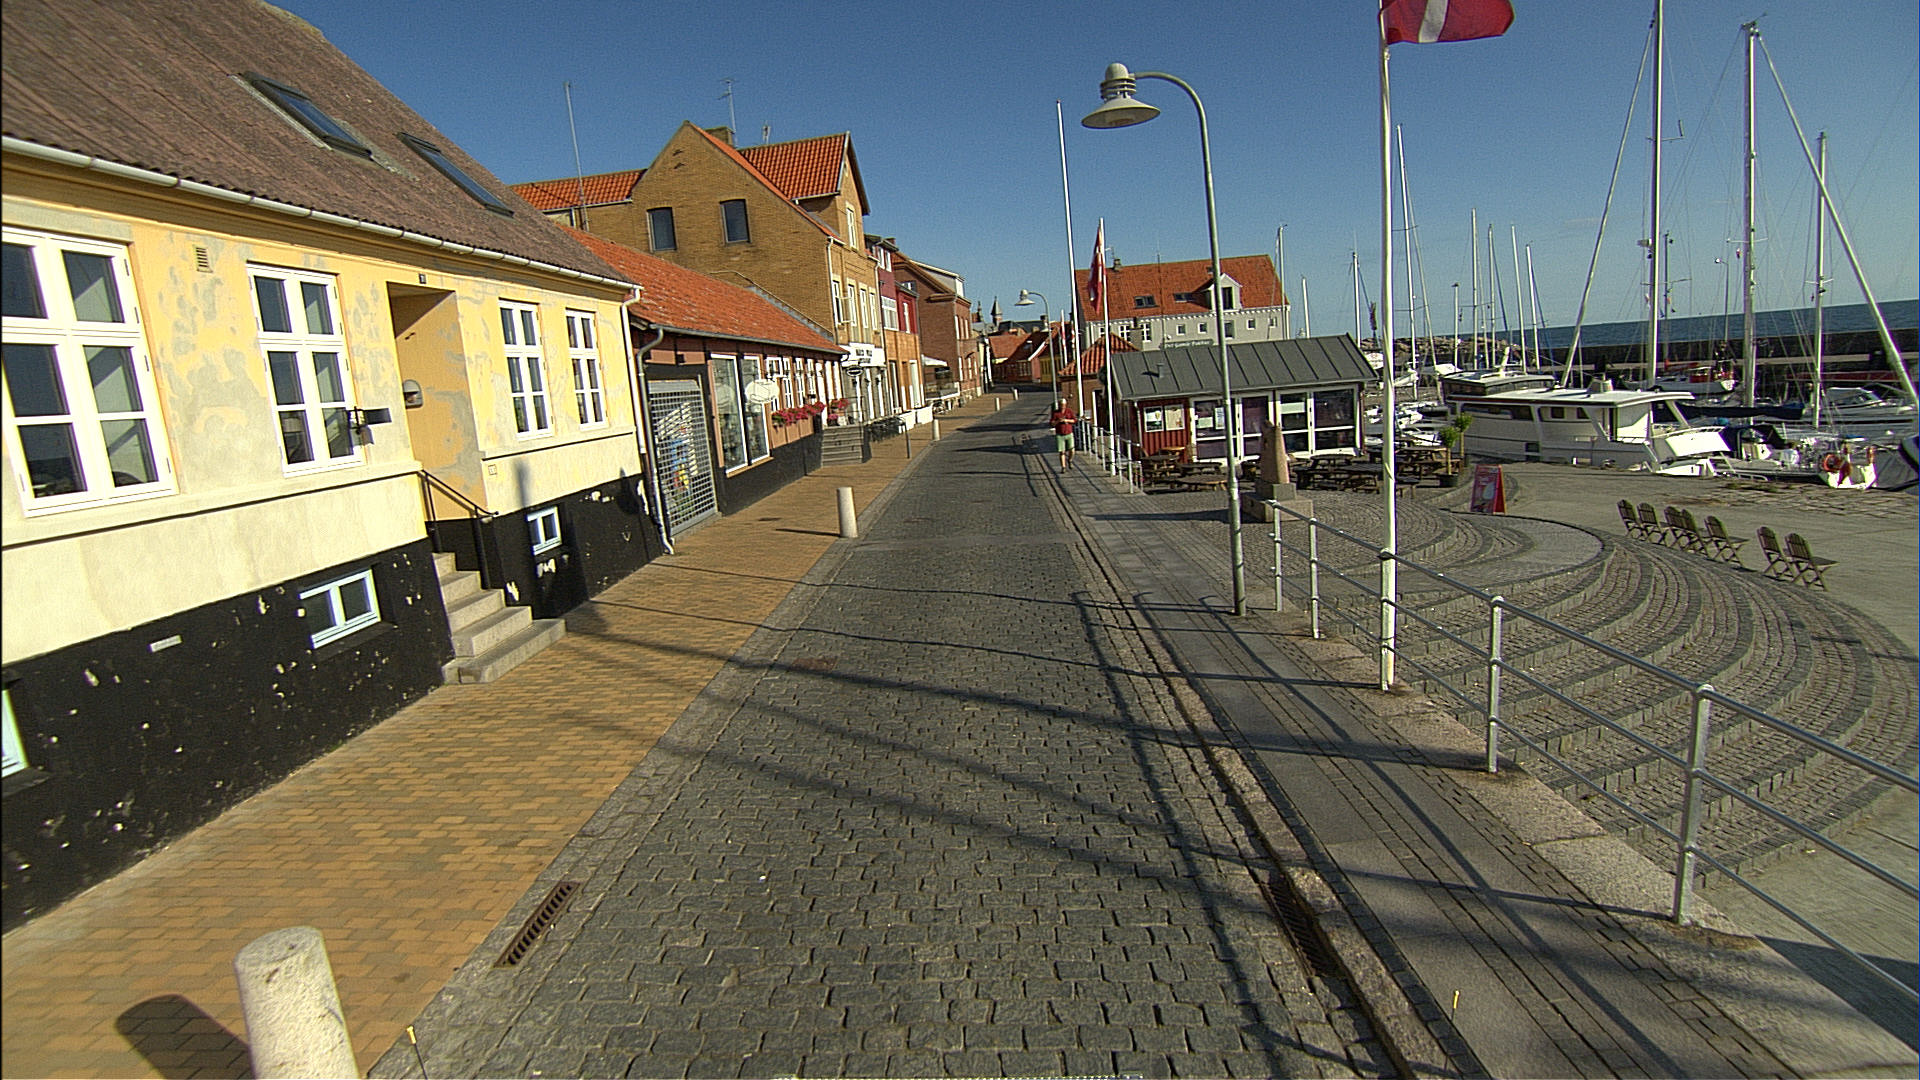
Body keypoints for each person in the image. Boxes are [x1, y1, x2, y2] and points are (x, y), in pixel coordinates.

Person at [1048, 398, 1078, 468]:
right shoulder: (1055, 413)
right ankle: (1063, 467)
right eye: (1061, 405)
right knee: (1062, 451)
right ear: (1059, 405)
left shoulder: (1069, 411)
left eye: (1064, 405)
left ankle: (1070, 460)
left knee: (1072, 449)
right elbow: (1052, 423)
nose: (1062, 406)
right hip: (1060, 434)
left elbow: (1074, 420)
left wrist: (1066, 420)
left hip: (1069, 433)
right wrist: (1058, 421)